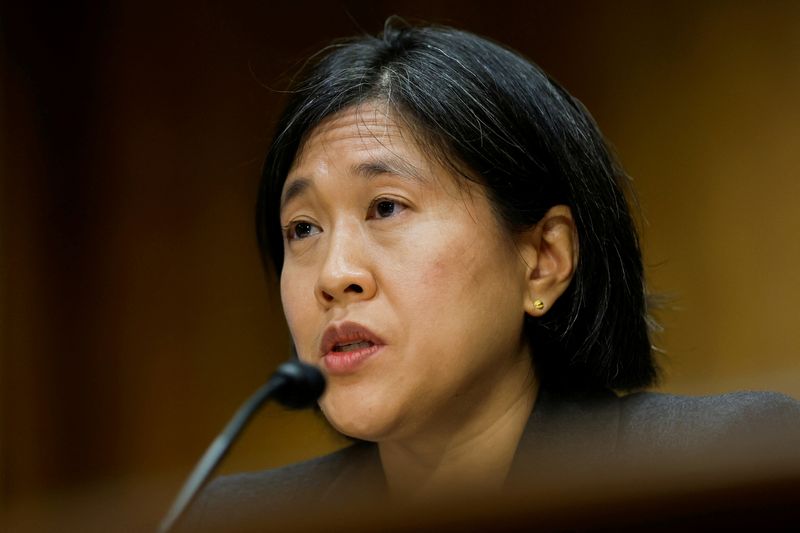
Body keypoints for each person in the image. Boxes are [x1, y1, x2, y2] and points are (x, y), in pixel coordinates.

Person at [184, 18, 800, 530]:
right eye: (304, 229)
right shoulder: (243, 520)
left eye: (387, 207)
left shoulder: (714, 467)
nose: (335, 275)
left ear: (543, 261)